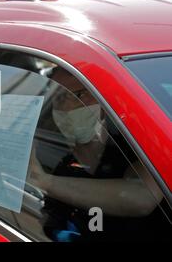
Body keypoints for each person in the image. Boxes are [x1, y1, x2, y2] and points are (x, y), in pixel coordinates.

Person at [28, 67, 170, 241]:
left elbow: (142, 196)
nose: (66, 106)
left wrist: (44, 181)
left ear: (102, 100)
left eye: (78, 95)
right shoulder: (61, 165)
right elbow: (51, 224)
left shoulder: (135, 147)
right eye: (59, 97)